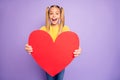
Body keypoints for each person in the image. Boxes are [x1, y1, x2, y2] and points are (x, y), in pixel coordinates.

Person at [25, 5, 82, 80]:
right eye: (51, 13)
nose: (54, 15)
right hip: (48, 63)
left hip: (61, 62)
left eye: (57, 13)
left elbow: (70, 45)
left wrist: (78, 50)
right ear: (48, 15)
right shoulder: (43, 29)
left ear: (60, 15)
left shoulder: (65, 29)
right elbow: (37, 46)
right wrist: (29, 48)